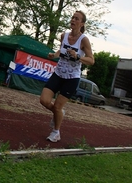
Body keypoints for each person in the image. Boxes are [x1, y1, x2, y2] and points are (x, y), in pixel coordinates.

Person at [39, 11, 94, 142]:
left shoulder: (84, 40)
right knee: (44, 100)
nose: (73, 20)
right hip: (58, 73)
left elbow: (91, 60)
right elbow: (61, 50)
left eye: (77, 19)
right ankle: (59, 114)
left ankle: (56, 132)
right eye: (72, 18)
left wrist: (78, 56)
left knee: (57, 106)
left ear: (81, 24)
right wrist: (55, 54)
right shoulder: (64, 35)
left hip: (72, 78)